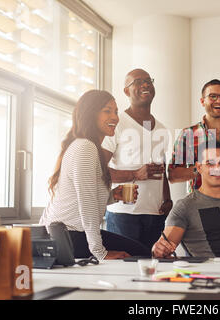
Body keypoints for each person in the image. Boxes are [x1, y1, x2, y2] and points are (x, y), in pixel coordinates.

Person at [40, 90, 149, 260]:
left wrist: (113, 196)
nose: (115, 117)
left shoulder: (85, 146)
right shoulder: (85, 147)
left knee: (140, 251)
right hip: (70, 237)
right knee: (141, 254)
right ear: (90, 114)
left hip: (66, 235)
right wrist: (100, 253)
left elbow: (81, 197)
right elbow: (87, 203)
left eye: (115, 111)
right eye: (107, 111)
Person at [101, 68, 173, 249]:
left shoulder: (162, 129)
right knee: (123, 271)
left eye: (149, 80)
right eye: (138, 81)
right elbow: (99, 170)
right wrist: (135, 174)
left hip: (156, 215)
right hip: (123, 214)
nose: (146, 84)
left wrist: (167, 198)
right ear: (126, 91)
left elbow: (161, 169)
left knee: (153, 270)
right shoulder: (116, 123)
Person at [168, 79, 220, 196]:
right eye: (213, 96)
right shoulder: (188, 135)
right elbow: (173, 175)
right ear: (202, 101)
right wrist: (201, 169)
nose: (219, 100)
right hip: (198, 208)